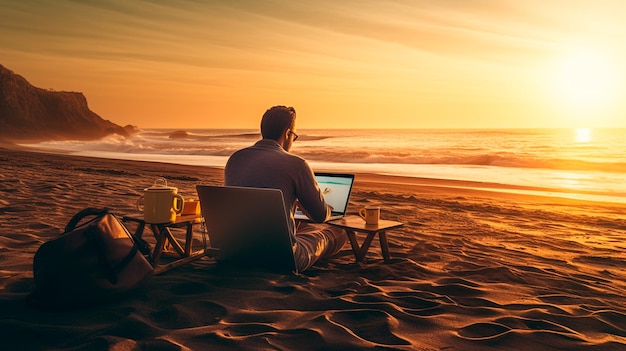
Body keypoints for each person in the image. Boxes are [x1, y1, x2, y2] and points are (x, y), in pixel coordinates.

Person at [224, 105, 347, 272]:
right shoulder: (297, 164)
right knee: (336, 231)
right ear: (288, 133)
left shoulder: (235, 159)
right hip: (282, 257)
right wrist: (322, 208)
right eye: (294, 136)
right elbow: (320, 215)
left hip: (235, 251)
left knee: (302, 226)